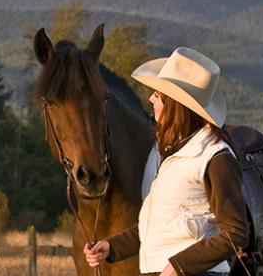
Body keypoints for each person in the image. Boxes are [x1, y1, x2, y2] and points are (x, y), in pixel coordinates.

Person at [83, 47, 250, 276]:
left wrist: (179, 266)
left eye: (158, 94)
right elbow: (161, 226)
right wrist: (112, 246)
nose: (150, 98)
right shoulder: (169, 154)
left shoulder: (215, 157)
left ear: (176, 105)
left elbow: (235, 233)